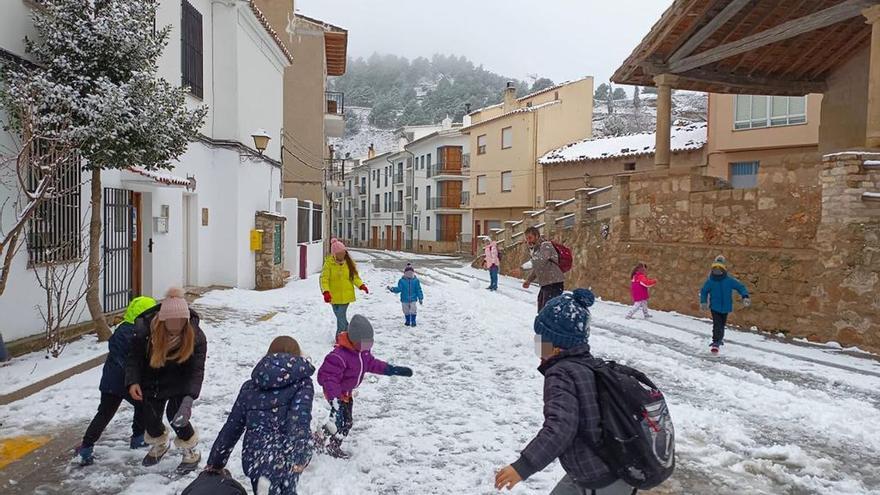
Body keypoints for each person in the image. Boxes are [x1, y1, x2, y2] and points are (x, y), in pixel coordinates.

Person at [495, 289, 637, 495]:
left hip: (600, 478)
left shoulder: (561, 374)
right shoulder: (590, 366)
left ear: (555, 346)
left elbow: (561, 427)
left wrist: (523, 467)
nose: (537, 345)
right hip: (614, 468)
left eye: (540, 340)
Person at [206, 336, 313, 495]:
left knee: (263, 486)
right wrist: (299, 455)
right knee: (287, 489)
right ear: (297, 356)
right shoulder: (302, 384)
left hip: (256, 455)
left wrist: (216, 462)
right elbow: (298, 420)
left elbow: (232, 426)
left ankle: (265, 487)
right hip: (285, 456)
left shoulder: (250, 386)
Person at [125, 287, 207, 473]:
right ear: (162, 320)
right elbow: (134, 359)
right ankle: (160, 443)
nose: (176, 326)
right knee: (150, 418)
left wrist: (189, 398)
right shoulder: (146, 332)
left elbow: (196, 370)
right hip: (152, 379)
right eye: (172, 322)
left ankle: (190, 450)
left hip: (180, 380)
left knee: (177, 416)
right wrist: (133, 381)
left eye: (180, 322)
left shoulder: (196, 336)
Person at [316, 315, 413, 459]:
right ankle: (328, 444)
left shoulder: (362, 353)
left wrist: (391, 369)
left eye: (369, 344)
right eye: (365, 344)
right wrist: (335, 399)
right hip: (336, 394)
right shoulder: (339, 356)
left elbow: (373, 364)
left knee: (344, 422)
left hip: (346, 394)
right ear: (354, 340)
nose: (367, 347)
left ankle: (323, 440)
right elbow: (328, 378)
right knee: (341, 421)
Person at [75, 296, 156, 466]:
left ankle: (88, 445)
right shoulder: (136, 333)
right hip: (125, 382)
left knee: (107, 413)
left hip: (112, 381)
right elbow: (135, 359)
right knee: (136, 407)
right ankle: (136, 438)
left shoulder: (123, 329)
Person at [700, 255, 751, 353]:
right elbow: (704, 291)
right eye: (715, 269)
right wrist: (703, 302)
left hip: (726, 307)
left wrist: (745, 296)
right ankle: (715, 342)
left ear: (723, 270)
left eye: (719, 270)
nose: (717, 272)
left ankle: (719, 339)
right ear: (712, 270)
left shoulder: (729, 280)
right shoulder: (710, 281)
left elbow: (740, 287)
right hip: (715, 307)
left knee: (722, 324)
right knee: (717, 324)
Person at [320, 238, 369, 335]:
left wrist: (361, 285)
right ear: (334, 254)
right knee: (340, 317)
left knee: (341, 316)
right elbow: (324, 279)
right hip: (333, 296)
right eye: (339, 254)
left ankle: (340, 337)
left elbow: (354, 277)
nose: (342, 255)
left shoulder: (349, 264)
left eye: (343, 253)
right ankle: (350, 332)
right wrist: (326, 292)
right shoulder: (329, 264)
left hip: (346, 295)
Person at [522, 227, 565, 311]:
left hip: (554, 283)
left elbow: (540, 261)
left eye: (530, 238)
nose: (528, 241)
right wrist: (529, 280)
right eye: (526, 238)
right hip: (546, 284)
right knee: (542, 310)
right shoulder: (536, 249)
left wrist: (522, 268)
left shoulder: (546, 245)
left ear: (537, 236)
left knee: (548, 312)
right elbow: (538, 267)